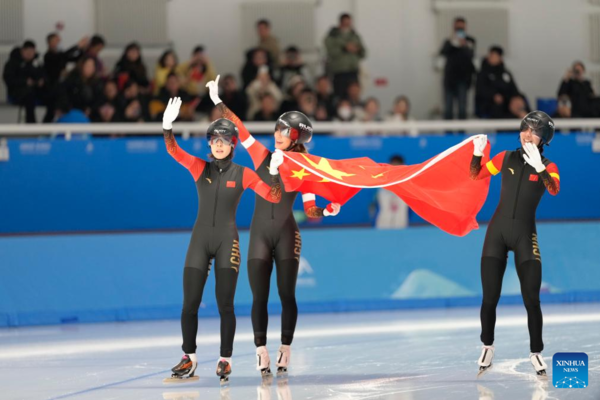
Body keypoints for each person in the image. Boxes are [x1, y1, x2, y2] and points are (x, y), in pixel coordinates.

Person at [206, 75, 341, 377]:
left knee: (286, 295)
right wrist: (218, 101)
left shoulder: (302, 169)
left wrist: (327, 210)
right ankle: (260, 351)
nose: (277, 133)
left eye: (283, 130)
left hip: (286, 234)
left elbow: (310, 209)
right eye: (277, 128)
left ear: (295, 136)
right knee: (259, 297)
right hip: (258, 236)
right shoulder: (260, 154)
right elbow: (240, 129)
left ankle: (285, 347)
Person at [163, 97, 284, 384]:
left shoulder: (244, 174)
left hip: (226, 241)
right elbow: (173, 151)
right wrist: (168, 127)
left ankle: (224, 360)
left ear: (233, 145)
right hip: (199, 241)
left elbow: (274, 196)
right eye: (214, 139)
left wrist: (275, 173)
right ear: (209, 145)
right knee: (189, 303)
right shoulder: (198, 168)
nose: (219, 144)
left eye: (225, 139)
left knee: (225, 304)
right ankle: (188, 358)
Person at [469, 111, 560, 377]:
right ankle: (487, 346)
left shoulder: (549, 165)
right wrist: (477, 153)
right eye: (525, 129)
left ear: (543, 139)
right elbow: (476, 175)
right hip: (496, 233)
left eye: (534, 132)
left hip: (525, 235)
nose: (527, 135)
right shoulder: (504, 157)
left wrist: (540, 167)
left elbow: (553, 189)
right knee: (489, 298)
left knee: (532, 299)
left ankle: (536, 353)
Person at [43, 33, 88, 122]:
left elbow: (74, 58)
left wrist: (82, 49)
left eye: (58, 40)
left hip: (62, 88)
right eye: (55, 40)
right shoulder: (48, 56)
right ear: (49, 42)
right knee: (51, 111)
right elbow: (63, 56)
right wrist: (77, 46)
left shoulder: (60, 55)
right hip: (51, 89)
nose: (58, 42)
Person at [439, 17, 476, 120]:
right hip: (450, 80)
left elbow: (471, 55)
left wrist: (464, 45)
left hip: (463, 80)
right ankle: (448, 134)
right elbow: (443, 52)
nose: (459, 30)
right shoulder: (449, 41)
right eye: (457, 28)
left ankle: (461, 133)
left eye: (461, 28)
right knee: (448, 108)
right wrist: (452, 41)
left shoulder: (470, 41)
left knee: (462, 108)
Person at [324, 13, 366, 98]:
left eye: (349, 23)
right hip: (339, 73)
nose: (347, 25)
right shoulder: (333, 36)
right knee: (339, 96)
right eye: (345, 23)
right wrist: (344, 48)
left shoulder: (355, 36)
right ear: (340, 23)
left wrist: (357, 49)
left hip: (353, 72)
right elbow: (330, 52)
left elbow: (364, 53)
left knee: (353, 96)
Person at [2, 40, 44, 123]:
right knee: (29, 96)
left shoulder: (37, 63)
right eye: (27, 51)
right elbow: (9, 79)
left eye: (32, 51)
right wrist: (25, 82)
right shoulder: (12, 63)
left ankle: (48, 124)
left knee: (53, 94)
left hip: (36, 90)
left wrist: (41, 81)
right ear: (22, 51)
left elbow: (43, 75)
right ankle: (31, 124)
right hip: (18, 92)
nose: (30, 53)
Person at [475, 46, 520, 119]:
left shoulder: (505, 73)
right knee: (498, 106)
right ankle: (502, 128)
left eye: (496, 56)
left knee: (520, 102)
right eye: (492, 55)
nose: (493, 58)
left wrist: (516, 97)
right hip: (489, 102)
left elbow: (513, 88)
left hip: (507, 100)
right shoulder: (482, 73)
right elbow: (481, 90)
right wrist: (493, 95)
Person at [374, 155, 408, 228]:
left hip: (401, 225)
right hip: (383, 225)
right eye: (393, 166)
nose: (395, 169)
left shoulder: (408, 186)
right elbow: (375, 205)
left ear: (403, 166)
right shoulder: (381, 185)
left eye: (397, 166)